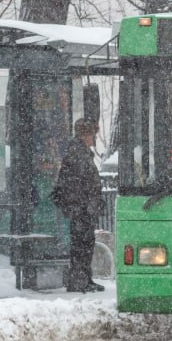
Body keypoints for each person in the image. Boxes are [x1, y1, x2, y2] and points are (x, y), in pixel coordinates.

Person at [54, 118, 105, 293]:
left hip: (82, 208)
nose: (94, 138)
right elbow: (78, 183)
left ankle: (84, 278)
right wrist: (86, 203)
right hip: (81, 209)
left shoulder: (80, 153)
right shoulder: (78, 154)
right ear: (85, 135)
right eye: (92, 134)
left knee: (85, 243)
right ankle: (79, 279)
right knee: (81, 244)